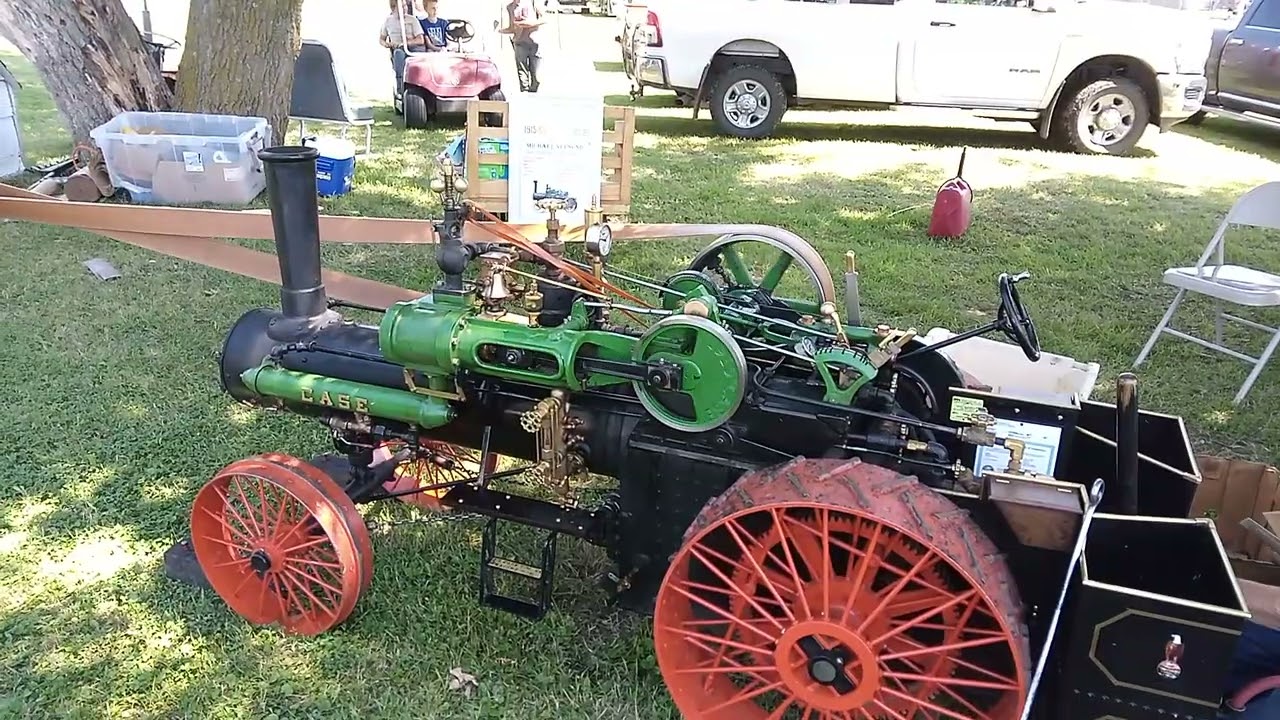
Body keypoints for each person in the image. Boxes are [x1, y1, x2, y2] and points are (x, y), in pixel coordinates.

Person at [379, 0, 427, 97]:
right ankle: (401, 89)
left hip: (414, 47)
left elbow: (420, 40)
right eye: (402, 7)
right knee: (398, 54)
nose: (405, 9)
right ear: (393, 8)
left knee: (416, 58)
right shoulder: (388, 21)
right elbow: (381, 39)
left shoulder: (412, 20)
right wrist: (387, 44)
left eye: (405, 6)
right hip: (399, 49)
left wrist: (405, 43)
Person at [499, 0, 545, 93]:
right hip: (519, 42)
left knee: (536, 75)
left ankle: (534, 89)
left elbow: (543, 19)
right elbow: (512, 27)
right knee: (522, 71)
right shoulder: (510, 7)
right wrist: (501, 30)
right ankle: (524, 92)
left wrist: (527, 24)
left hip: (534, 41)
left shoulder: (533, 3)